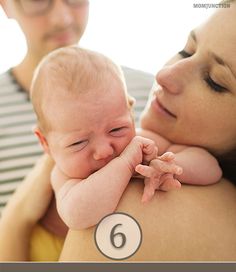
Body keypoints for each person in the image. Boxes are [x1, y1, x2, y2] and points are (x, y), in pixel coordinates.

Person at [1, 1, 236, 261]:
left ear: (129, 108)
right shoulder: (64, 174)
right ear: (45, 145)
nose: (104, 150)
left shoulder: (144, 138)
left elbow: (210, 168)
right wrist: (125, 164)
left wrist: (172, 165)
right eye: (78, 143)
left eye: (116, 128)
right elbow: (79, 214)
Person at [0, 0, 154, 214]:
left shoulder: (153, 90)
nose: (62, 18)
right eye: (37, 1)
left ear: (129, 107)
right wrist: (19, 219)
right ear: (5, 5)